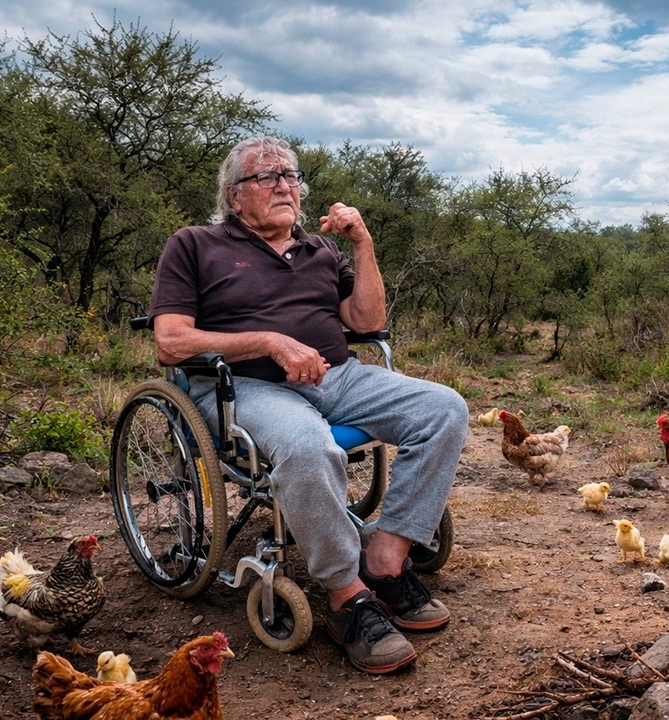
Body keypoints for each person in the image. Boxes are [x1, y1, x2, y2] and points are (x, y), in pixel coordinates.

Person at [148, 136, 468, 674]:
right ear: (234, 195)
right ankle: (346, 597)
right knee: (306, 446)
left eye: (290, 176)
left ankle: (385, 560)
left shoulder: (321, 249)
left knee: (444, 409)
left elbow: (366, 323)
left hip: (337, 376)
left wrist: (362, 244)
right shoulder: (195, 244)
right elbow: (171, 342)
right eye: (266, 176)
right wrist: (268, 340)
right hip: (243, 386)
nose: (283, 185)